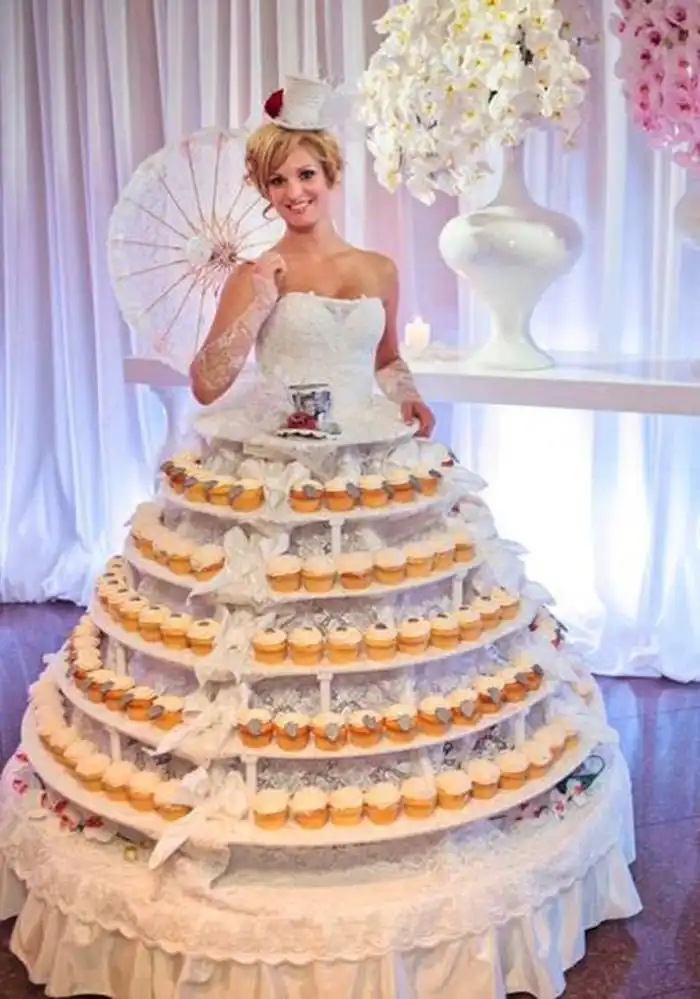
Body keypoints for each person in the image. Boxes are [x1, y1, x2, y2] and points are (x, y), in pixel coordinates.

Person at [189, 77, 435, 438]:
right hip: (283, 451)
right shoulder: (253, 276)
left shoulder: (380, 270)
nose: (294, 193)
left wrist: (409, 396)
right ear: (266, 191)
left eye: (306, 174)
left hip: (363, 442)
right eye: (277, 181)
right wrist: (259, 306)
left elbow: (386, 360)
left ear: (330, 175)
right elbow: (204, 388)